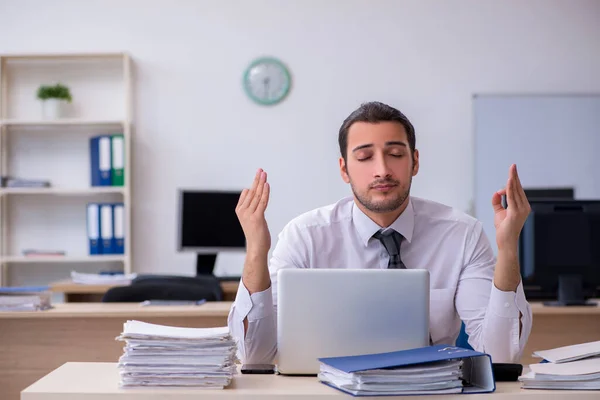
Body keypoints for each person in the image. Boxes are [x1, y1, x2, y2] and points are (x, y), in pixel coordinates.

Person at [227, 101, 532, 365]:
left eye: (395, 154)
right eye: (364, 157)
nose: (382, 170)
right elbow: (255, 354)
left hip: (431, 391)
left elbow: (500, 354)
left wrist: (507, 249)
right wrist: (256, 248)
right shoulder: (305, 235)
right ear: (344, 169)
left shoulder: (462, 234)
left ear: (414, 162)